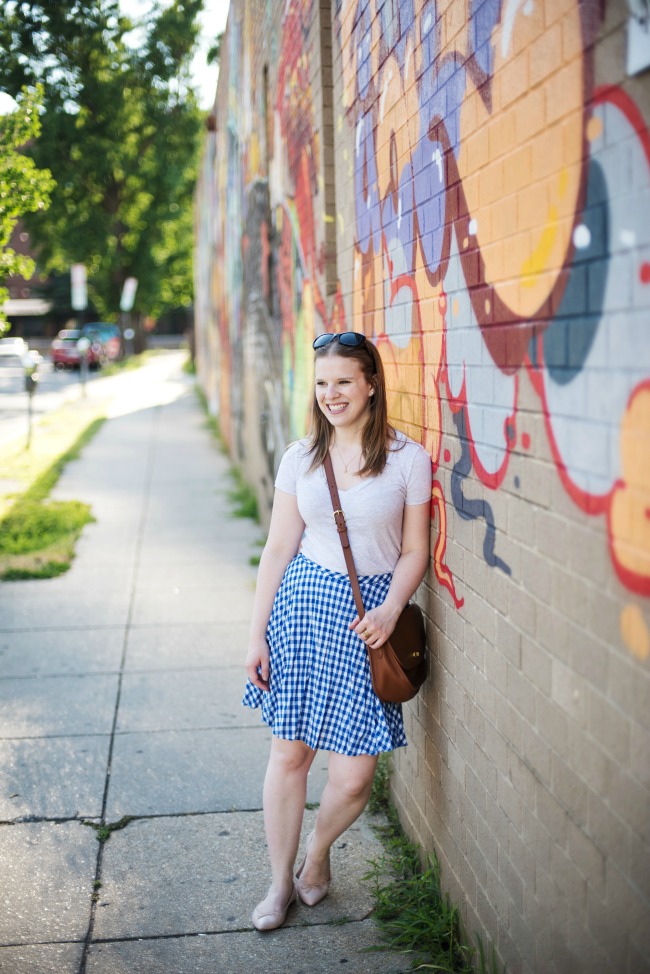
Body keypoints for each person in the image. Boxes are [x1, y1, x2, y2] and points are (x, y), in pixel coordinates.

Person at [242, 331, 432, 931]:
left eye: (344, 381)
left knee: (352, 778)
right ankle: (278, 885)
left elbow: (414, 552)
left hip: (369, 621)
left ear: (371, 382)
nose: (332, 395)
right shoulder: (301, 457)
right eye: (323, 384)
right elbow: (277, 550)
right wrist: (255, 635)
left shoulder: (408, 460)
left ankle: (317, 859)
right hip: (302, 612)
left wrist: (391, 609)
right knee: (290, 753)